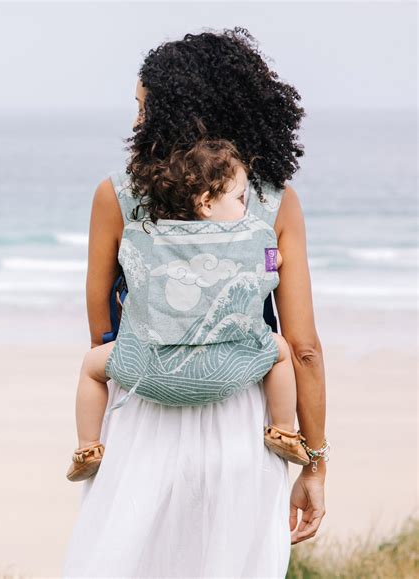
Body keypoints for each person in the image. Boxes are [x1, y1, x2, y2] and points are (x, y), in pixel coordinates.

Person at [63, 27, 328, 578]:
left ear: (176, 114)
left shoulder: (116, 195)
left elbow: (102, 331)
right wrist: (315, 463)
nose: (137, 121)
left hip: (144, 410)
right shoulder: (274, 201)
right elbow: (302, 348)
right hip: (245, 421)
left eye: (144, 108)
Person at [65, 137, 310, 483]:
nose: (245, 208)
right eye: (240, 199)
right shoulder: (254, 239)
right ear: (207, 202)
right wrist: (274, 258)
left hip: (149, 370)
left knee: (92, 367)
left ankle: (88, 446)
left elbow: (124, 279)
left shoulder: (143, 236)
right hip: (228, 370)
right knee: (280, 351)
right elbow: (273, 272)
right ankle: (283, 429)